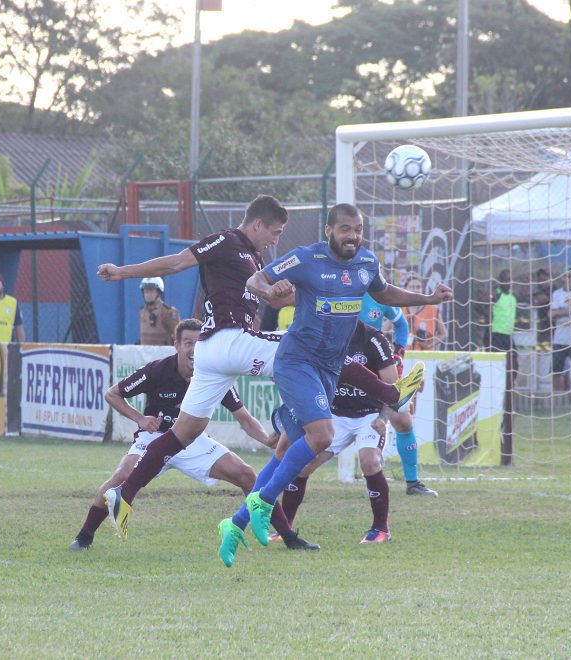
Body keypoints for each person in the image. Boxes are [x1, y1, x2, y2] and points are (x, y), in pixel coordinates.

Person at [98, 195, 423, 542]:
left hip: (214, 356)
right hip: (228, 340)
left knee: (182, 434)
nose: (275, 240)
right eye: (274, 232)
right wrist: (123, 272)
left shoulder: (256, 259)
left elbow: (284, 296)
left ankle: (125, 494)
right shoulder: (227, 240)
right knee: (317, 348)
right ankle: (392, 394)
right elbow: (177, 263)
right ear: (256, 224)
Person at [218, 203, 451, 567]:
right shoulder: (306, 259)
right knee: (322, 436)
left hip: (329, 368)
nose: (353, 236)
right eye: (345, 228)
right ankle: (263, 504)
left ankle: (234, 526)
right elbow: (255, 280)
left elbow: (385, 292)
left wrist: (428, 299)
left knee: (287, 452)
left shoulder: (366, 264)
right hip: (298, 362)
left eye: (357, 229)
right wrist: (269, 289)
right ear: (329, 230)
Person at [69, 318, 316, 552]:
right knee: (122, 476)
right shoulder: (158, 370)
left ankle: (289, 537)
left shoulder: (213, 374)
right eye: (188, 343)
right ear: (176, 345)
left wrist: (266, 439)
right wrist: (140, 419)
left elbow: (244, 418)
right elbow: (113, 393)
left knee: (246, 475)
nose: (194, 349)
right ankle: (84, 536)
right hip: (155, 438)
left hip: (192, 442)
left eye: (200, 343)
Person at [270, 321, 401, 544]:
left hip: (369, 416)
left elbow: (393, 387)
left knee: (369, 462)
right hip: (335, 416)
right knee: (302, 465)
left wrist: (383, 418)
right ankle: (285, 528)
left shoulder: (374, 339)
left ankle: (381, 529)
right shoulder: (321, 335)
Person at [359, 292, 437, 497]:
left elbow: (401, 325)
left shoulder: (379, 296)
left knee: (402, 420)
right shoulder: (339, 291)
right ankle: (291, 479)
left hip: (375, 368)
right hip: (340, 367)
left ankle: (412, 482)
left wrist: (398, 354)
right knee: (319, 429)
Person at [550, 270, 571, 391]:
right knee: (557, 371)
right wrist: (569, 310)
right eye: (567, 276)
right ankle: (559, 400)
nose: (570, 278)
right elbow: (551, 314)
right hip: (560, 338)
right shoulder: (557, 294)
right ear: (563, 278)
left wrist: (561, 312)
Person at [403, 273, 447, 350]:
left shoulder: (432, 309)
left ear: (422, 289)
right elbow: (385, 329)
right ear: (405, 288)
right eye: (412, 287)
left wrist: (429, 345)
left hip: (425, 356)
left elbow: (443, 334)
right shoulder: (399, 308)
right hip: (404, 355)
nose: (415, 290)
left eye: (418, 287)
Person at [138, 277, 180, 345]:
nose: (148, 295)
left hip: (163, 353)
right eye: (146, 292)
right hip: (145, 353)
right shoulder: (142, 311)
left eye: (151, 291)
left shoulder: (168, 311)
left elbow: (178, 335)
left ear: (158, 293)